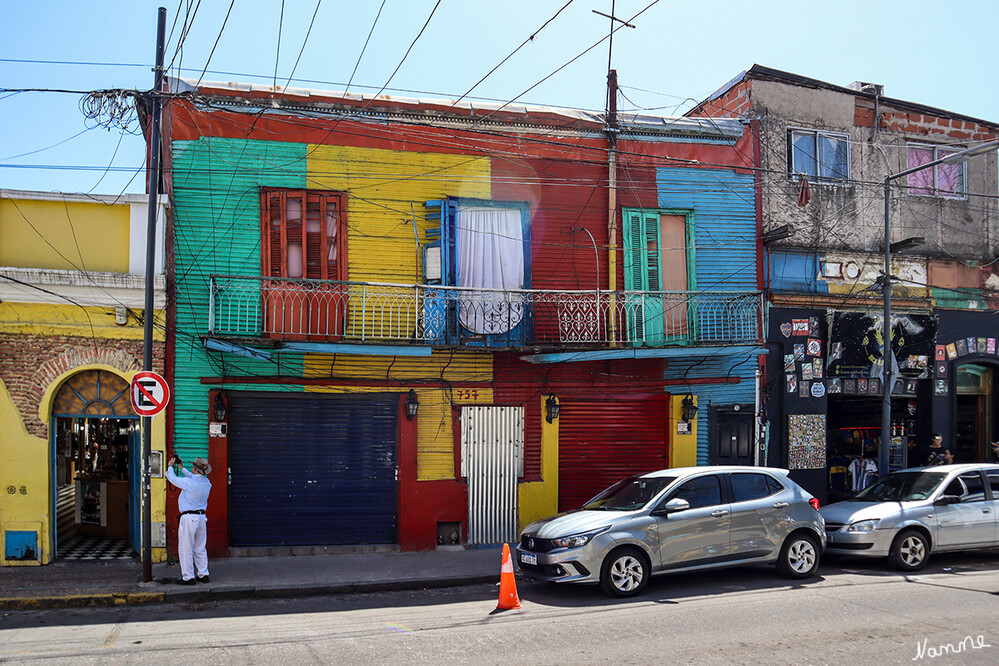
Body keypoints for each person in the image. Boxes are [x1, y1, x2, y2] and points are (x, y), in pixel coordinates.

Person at [166, 455, 212, 585]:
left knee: (186, 548)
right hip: (202, 518)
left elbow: (172, 478)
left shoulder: (190, 483)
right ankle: (203, 574)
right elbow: (193, 477)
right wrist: (181, 467)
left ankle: (188, 577)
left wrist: (170, 466)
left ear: (195, 469)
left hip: (189, 518)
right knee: (200, 547)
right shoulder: (206, 483)